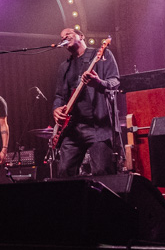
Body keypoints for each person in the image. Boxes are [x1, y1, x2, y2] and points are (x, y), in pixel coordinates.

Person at [51, 28, 120, 177]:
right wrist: (56, 109)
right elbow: (59, 95)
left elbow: (115, 82)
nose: (64, 37)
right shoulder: (64, 67)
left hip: (98, 126)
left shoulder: (102, 55)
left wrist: (98, 83)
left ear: (81, 36)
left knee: (102, 173)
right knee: (64, 172)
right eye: (62, 36)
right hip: (72, 129)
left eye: (68, 34)